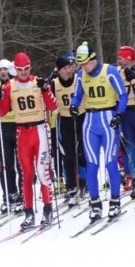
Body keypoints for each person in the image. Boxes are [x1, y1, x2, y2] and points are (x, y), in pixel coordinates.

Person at [0, 52, 58, 229]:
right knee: (27, 175)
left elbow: (54, 106)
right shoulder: (9, 86)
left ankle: (47, 209)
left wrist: (46, 89)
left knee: (42, 170)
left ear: (30, 67)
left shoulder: (38, 82)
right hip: (22, 132)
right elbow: (2, 112)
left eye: (26, 69)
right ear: (15, 69)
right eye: (20, 69)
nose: (23, 72)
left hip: (40, 130)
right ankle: (28, 212)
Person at [70, 41, 127, 222]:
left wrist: (119, 114)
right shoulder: (80, 75)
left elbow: (123, 94)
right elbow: (78, 95)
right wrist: (73, 105)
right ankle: (95, 203)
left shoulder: (109, 71)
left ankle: (115, 201)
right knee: (92, 164)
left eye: (86, 63)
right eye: (81, 64)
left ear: (93, 59)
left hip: (108, 119)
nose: (84, 67)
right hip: (90, 121)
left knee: (110, 163)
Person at [51, 54, 86, 206]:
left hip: (81, 117)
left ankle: (85, 183)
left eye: (68, 68)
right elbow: (50, 101)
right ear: (58, 71)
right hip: (65, 121)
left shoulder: (78, 79)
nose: (67, 71)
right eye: (64, 69)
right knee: (69, 156)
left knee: (83, 153)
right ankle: (71, 186)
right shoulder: (54, 83)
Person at [0, 60, 23, 214]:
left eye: (5, 69)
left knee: (21, 164)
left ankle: (22, 196)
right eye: (0, 70)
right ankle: (9, 195)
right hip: (4, 128)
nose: (3, 72)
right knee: (6, 165)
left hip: (18, 125)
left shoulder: (16, 83)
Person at [117, 45, 135, 199]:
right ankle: (134, 178)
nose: (119, 60)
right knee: (130, 147)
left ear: (128, 58)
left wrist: (134, 77)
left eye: (121, 58)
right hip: (127, 112)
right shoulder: (118, 72)